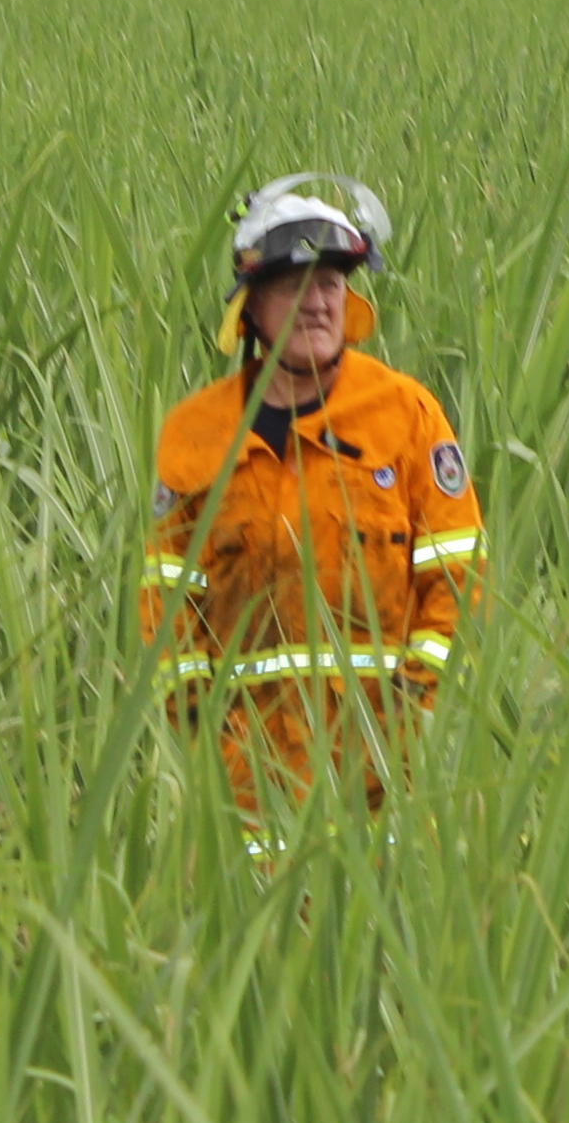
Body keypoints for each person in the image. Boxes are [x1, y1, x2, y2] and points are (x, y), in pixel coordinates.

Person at [144, 175, 482, 826]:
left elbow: (459, 579)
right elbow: (162, 599)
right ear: (252, 309)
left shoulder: (406, 416)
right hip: (244, 782)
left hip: (390, 776)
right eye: (292, 288)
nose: (317, 304)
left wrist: (417, 700)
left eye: (330, 285)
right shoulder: (193, 435)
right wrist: (192, 725)